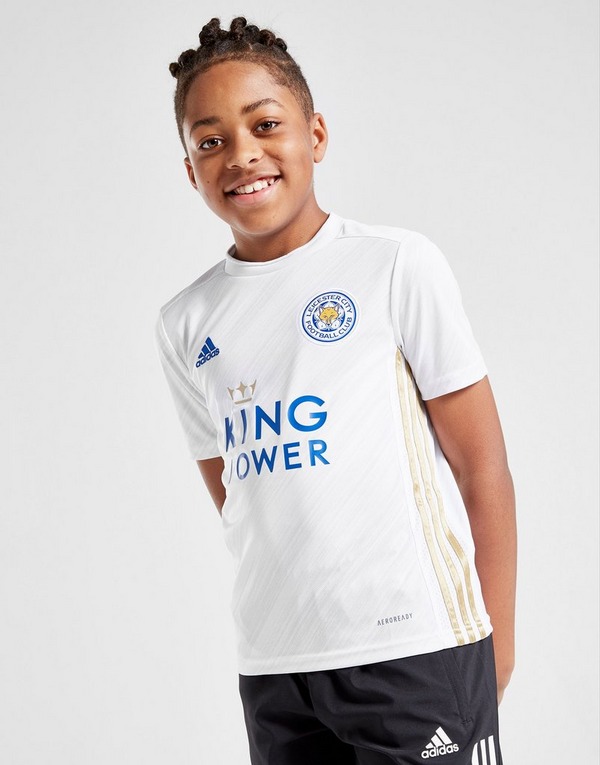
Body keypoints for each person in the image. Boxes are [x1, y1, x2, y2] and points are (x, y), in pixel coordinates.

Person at [155, 16, 517, 765]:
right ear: (190, 169)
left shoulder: (395, 265)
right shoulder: (185, 321)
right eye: (211, 140)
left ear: (314, 135)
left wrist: (496, 643)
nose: (242, 154)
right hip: (276, 666)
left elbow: (482, 467)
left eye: (265, 125)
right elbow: (239, 494)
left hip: (415, 650)